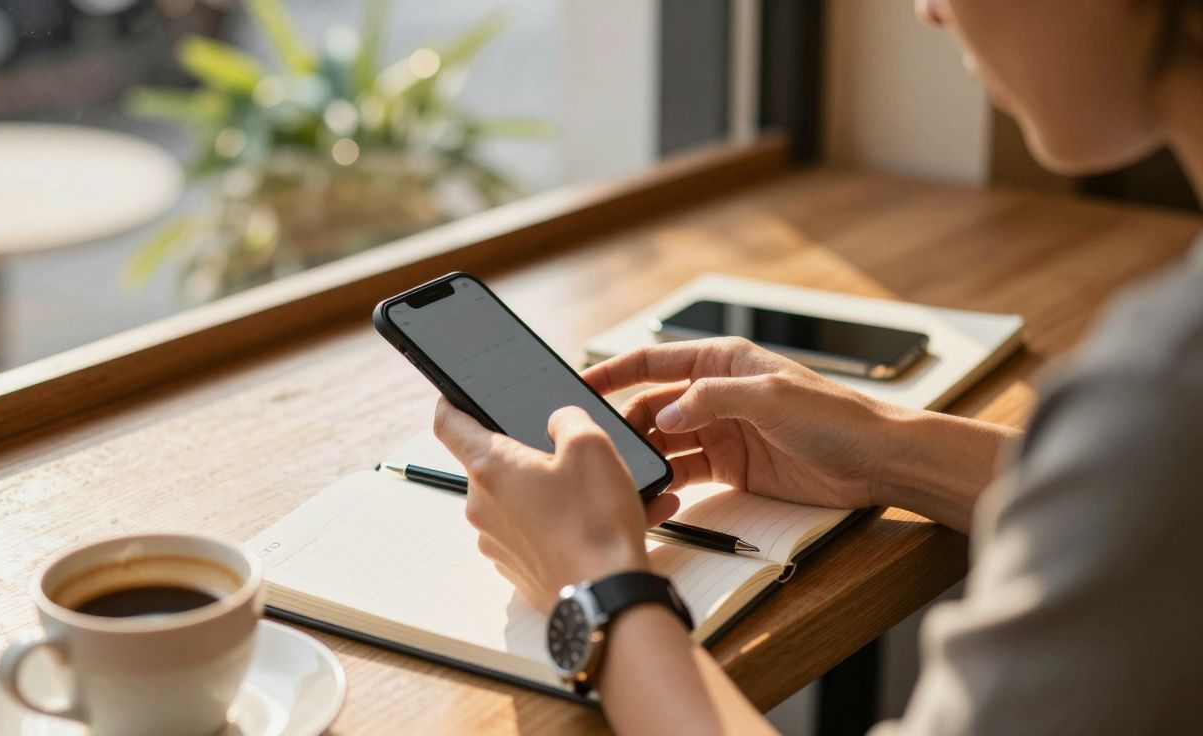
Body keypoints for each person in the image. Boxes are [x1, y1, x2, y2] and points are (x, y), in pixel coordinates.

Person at [433, 0, 1203, 733]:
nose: (929, 9)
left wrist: (596, 585)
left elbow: (1157, 467)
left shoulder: (1160, 389)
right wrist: (886, 451)